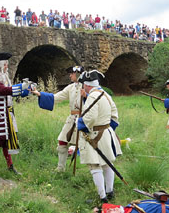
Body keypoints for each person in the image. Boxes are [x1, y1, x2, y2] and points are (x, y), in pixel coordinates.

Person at [76, 70, 122, 203]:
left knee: (95, 166)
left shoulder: (92, 96)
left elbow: (90, 117)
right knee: (107, 163)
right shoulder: (105, 94)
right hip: (106, 133)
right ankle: (110, 191)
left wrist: (79, 124)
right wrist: (108, 128)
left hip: (95, 134)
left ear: (86, 85)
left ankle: (103, 197)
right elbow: (114, 115)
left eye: (83, 84)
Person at [0, 52, 29, 177]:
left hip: (6, 113)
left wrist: (26, 90)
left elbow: (9, 91)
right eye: (5, 64)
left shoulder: (4, 79)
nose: (6, 67)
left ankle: (10, 166)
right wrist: (20, 86)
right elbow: (3, 91)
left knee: (6, 140)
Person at [31, 66, 85, 172]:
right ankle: (61, 168)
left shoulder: (87, 87)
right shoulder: (71, 87)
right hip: (72, 119)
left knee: (88, 144)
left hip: (85, 119)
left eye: (72, 73)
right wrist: (39, 94)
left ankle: (95, 168)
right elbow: (57, 97)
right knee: (62, 141)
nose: (70, 75)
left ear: (78, 74)